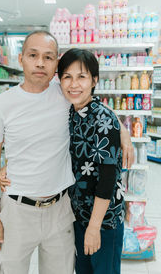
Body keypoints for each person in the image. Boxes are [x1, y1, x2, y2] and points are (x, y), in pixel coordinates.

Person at [0, 30, 133, 274]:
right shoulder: (1, 105)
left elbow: (95, 107)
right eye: (33, 55)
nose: (40, 62)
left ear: (55, 64)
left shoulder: (63, 92)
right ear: (21, 58)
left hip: (61, 208)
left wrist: (121, 132)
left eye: (48, 57)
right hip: (17, 209)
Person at [57, 48, 125, 274]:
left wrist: (94, 227)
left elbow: (107, 180)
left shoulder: (104, 119)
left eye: (81, 76)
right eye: (67, 76)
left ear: (94, 80)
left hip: (103, 222)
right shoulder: (71, 112)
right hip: (79, 216)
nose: (73, 84)